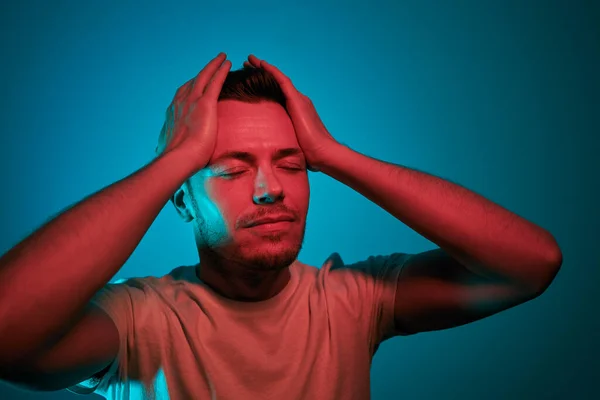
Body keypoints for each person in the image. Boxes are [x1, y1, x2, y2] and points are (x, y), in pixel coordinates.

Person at [0, 52, 563, 399]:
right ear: (182, 200)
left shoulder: (353, 301)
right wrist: (172, 161)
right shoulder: (136, 322)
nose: (272, 188)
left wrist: (336, 154)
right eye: (231, 168)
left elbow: (531, 264)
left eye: (293, 165)